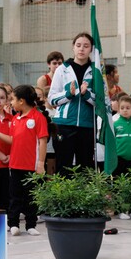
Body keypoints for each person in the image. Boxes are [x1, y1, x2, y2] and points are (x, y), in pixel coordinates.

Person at [0, 85, 48, 236]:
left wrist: (40, 163)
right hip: (15, 165)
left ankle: (31, 225)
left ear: (21, 101)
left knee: (31, 197)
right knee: (14, 196)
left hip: (31, 166)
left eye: (12, 99)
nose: (10, 103)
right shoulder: (15, 119)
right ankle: (13, 224)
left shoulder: (38, 117)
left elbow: (43, 141)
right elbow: (12, 139)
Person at [48, 32, 96, 173]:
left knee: (85, 168)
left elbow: (103, 102)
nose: (81, 49)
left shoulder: (96, 71)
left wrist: (87, 95)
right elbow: (52, 98)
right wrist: (68, 94)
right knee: (63, 166)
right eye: (78, 45)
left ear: (91, 49)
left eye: (86, 46)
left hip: (87, 125)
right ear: (73, 47)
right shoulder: (62, 69)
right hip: (63, 125)